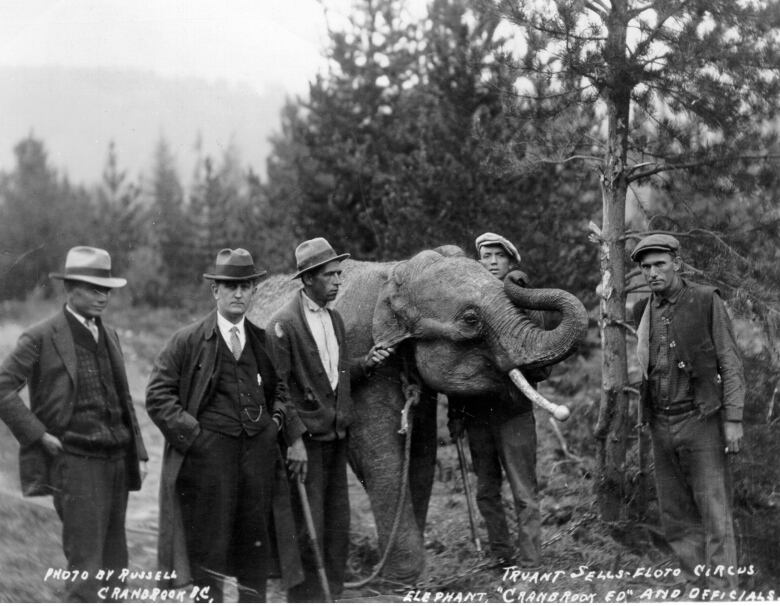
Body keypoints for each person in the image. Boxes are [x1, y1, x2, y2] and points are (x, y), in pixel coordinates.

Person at [145, 248, 302, 602]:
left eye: (245, 286)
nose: (238, 294)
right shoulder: (188, 340)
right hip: (209, 463)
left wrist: (275, 422)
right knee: (209, 548)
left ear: (253, 292)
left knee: (255, 546)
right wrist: (195, 437)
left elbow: (281, 388)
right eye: (230, 286)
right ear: (214, 291)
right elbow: (157, 395)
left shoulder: (262, 340)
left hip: (258, 461)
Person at [0, 246, 148, 602]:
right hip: (76, 463)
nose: (103, 297)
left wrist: (138, 453)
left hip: (116, 464)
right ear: (70, 289)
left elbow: (124, 399)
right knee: (86, 570)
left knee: (117, 566)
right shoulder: (40, 336)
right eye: (95, 288)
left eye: (107, 289)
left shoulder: (108, 335)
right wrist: (39, 436)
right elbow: (3, 387)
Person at [267, 237, 391, 602]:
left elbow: (333, 373)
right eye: (329, 275)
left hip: (336, 436)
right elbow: (280, 389)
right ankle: (306, 597)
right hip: (306, 442)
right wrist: (293, 442)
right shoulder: (282, 325)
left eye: (339, 274)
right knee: (308, 526)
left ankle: (332, 593)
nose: (338, 281)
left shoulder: (335, 319)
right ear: (307, 279)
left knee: (337, 523)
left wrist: (366, 363)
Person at [631, 234, 744, 590]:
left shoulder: (705, 300)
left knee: (714, 510)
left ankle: (723, 590)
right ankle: (693, 584)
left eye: (659, 264)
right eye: (646, 267)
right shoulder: (643, 310)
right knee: (676, 514)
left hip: (702, 420)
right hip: (660, 422)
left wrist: (734, 418)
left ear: (676, 264)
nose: (652, 273)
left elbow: (729, 360)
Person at [447, 232, 549, 568]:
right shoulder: (467, 302)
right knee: (486, 491)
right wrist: (455, 413)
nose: (491, 262)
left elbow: (540, 357)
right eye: (485, 255)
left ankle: (532, 562)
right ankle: (501, 555)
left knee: (523, 491)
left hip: (513, 412)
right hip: (477, 415)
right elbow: (455, 364)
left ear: (511, 262)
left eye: (498, 256)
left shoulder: (523, 299)